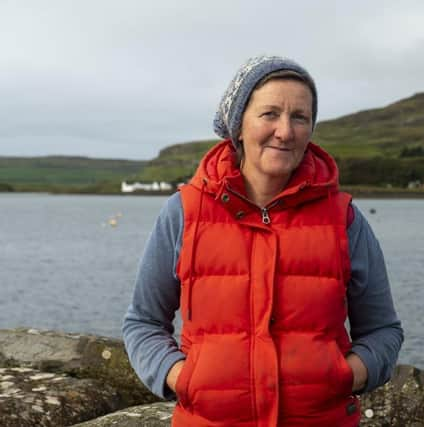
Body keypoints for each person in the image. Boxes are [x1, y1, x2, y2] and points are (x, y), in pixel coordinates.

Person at [123, 55, 403, 427]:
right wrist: (181, 377)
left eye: (299, 117)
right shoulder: (184, 211)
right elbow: (142, 323)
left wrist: (347, 374)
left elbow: (383, 330)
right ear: (238, 125)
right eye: (270, 113)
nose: (285, 131)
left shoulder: (345, 219)